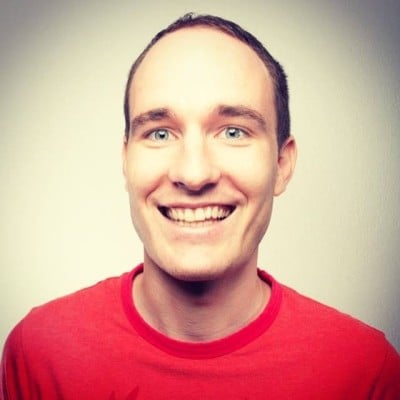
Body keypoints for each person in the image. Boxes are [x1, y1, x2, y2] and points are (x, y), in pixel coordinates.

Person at [1, 13, 399, 399]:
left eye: (233, 132)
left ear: (281, 164)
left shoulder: (363, 369)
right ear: (126, 161)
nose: (193, 174)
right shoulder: (40, 353)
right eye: (159, 133)